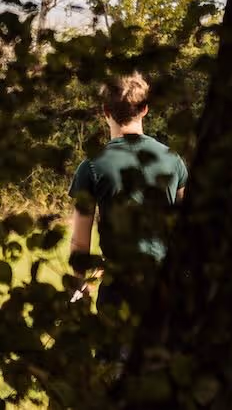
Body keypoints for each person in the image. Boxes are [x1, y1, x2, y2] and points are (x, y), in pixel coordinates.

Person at [68, 74, 188, 304]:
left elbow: (80, 242)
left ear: (105, 111)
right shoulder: (173, 160)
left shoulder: (91, 166)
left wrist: (79, 284)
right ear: (144, 109)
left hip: (118, 289)